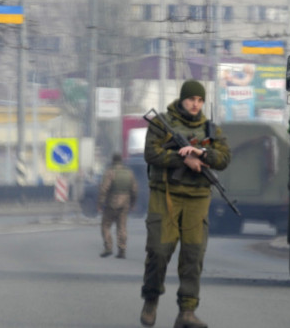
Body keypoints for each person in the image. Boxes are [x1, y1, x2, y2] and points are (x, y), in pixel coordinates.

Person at [140, 80, 230, 328]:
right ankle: (151, 298)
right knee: (159, 250)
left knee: (193, 254)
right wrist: (183, 160)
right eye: (191, 99)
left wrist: (201, 154)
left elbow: (223, 158)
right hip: (165, 195)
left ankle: (187, 311)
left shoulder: (211, 129)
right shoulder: (161, 123)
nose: (195, 104)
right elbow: (151, 153)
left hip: (198, 198)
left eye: (200, 100)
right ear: (182, 99)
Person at [98, 152, 138, 258]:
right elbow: (134, 189)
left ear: (113, 161)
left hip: (112, 202)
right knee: (122, 227)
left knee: (105, 225)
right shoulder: (129, 173)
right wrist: (133, 203)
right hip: (125, 203)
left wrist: (101, 203)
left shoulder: (110, 172)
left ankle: (108, 247)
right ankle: (122, 249)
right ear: (121, 161)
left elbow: (104, 188)